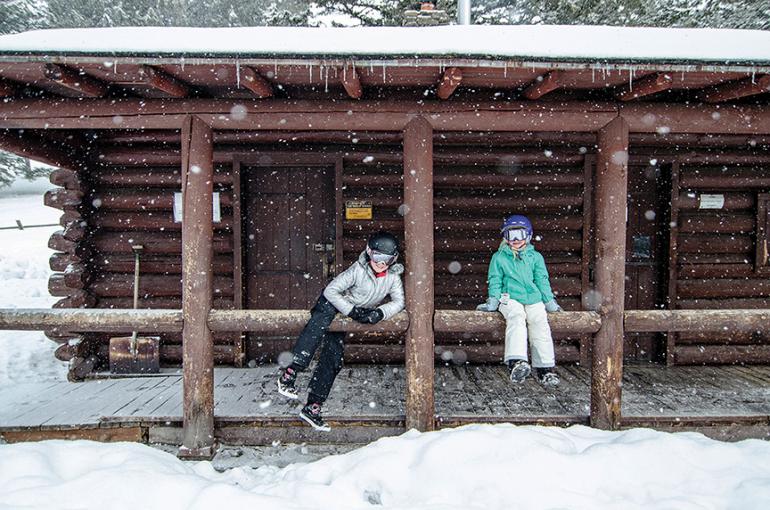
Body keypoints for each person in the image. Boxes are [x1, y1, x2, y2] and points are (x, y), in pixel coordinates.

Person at [277, 231, 405, 431]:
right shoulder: (358, 270)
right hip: (332, 305)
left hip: (348, 315)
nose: (381, 263)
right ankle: (290, 372)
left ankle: (313, 406)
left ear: (393, 258)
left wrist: (379, 313)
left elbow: (399, 302)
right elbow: (330, 291)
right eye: (377, 257)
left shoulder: (392, 277)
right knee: (315, 332)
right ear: (369, 253)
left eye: (386, 259)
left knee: (333, 358)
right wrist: (352, 310)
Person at [476, 215, 562, 386]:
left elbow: (542, 280)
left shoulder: (535, 257)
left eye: (519, 235)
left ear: (528, 236)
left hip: (533, 298)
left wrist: (549, 301)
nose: (515, 240)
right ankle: (516, 361)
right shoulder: (499, 257)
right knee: (516, 316)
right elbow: (495, 280)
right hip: (509, 298)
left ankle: (545, 369)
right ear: (505, 238)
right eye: (510, 236)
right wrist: (493, 300)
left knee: (539, 321)